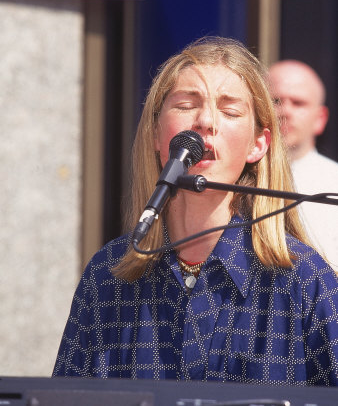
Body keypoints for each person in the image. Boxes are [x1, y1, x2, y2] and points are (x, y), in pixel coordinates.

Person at [53, 37, 338, 385]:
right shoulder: (106, 276)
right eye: (187, 104)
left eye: (230, 111)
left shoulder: (305, 281)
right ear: (157, 135)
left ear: (258, 144)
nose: (205, 121)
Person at [268, 60, 338, 271]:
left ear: (320, 118)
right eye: (276, 100)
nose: (285, 111)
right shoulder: (230, 177)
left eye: (298, 103)